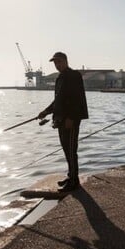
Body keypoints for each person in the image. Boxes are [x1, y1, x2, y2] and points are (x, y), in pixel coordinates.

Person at [38, 52, 88, 192]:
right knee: (66, 150)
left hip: (70, 121)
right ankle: (71, 176)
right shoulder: (60, 78)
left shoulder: (74, 75)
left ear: (66, 61)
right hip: (61, 120)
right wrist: (46, 111)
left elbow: (77, 99)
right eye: (55, 63)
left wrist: (71, 118)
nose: (57, 65)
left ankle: (74, 181)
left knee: (71, 150)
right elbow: (58, 101)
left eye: (59, 62)